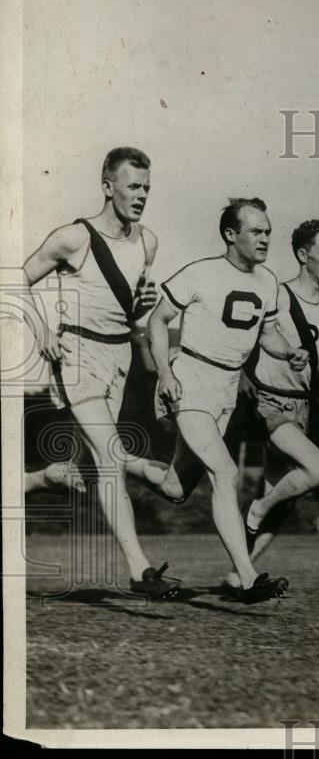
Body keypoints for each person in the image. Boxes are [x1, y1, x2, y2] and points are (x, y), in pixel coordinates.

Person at [20, 147, 180, 599]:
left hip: (120, 359)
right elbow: (15, 276)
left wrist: (140, 318)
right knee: (111, 459)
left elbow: (130, 315)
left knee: (94, 467)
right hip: (77, 355)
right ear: (108, 187)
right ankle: (139, 570)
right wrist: (42, 329)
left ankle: (42, 478)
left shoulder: (147, 242)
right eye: (134, 186)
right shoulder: (74, 238)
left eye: (147, 187)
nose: (142, 195)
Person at [146, 197, 308, 604]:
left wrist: (290, 351)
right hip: (190, 381)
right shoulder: (200, 273)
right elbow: (157, 320)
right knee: (225, 472)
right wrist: (165, 372)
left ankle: (120, 462)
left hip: (225, 391)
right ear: (230, 235)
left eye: (268, 231)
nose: (265, 238)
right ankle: (249, 578)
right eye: (256, 231)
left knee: (175, 486)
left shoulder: (268, 281)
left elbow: (266, 334)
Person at [219, 219, 319, 589]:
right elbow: (251, 338)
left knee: (282, 502)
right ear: (302, 254)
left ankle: (238, 577)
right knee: (318, 469)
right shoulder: (276, 294)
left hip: (301, 410)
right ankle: (256, 510)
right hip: (267, 403)